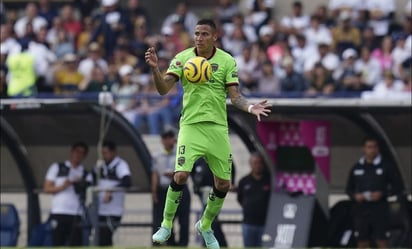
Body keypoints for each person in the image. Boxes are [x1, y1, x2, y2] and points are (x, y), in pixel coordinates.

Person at [145, 18, 271, 249]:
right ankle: (165, 224)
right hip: (191, 127)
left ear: (215, 36)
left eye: (204, 34)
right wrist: (155, 69)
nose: (199, 38)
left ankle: (205, 224)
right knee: (181, 175)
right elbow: (163, 89)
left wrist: (251, 107)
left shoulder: (226, 61)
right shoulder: (183, 58)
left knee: (223, 184)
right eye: (197, 33)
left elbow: (235, 97)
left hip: (217, 128)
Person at [345, 136, 405, 248]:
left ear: (378, 149)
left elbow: (398, 187)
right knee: (362, 240)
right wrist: (355, 196)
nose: (372, 150)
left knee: (381, 239)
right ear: (364, 149)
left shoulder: (386, 166)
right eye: (369, 147)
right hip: (361, 209)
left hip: (380, 208)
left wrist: (382, 194)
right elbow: (348, 189)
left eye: (374, 147)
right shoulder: (357, 167)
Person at [43, 141, 90, 246]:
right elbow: (47, 188)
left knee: (76, 243)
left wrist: (79, 184)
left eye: (82, 153)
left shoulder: (85, 173)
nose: (78, 155)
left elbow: (87, 191)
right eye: (77, 151)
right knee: (57, 242)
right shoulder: (57, 167)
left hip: (76, 213)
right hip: (59, 212)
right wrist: (63, 186)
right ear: (71, 152)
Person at [151, 129, 191, 246]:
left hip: (180, 189)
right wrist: (154, 192)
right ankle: (170, 243)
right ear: (162, 140)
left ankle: (183, 244)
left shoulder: (181, 154)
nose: (168, 141)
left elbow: (186, 171)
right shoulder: (156, 156)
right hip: (163, 190)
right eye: (165, 138)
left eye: (170, 137)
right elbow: (155, 174)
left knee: (183, 220)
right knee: (166, 218)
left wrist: (174, 175)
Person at [89, 140, 132, 246]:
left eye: (105, 153)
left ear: (113, 152)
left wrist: (111, 190)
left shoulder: (120, 165)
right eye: (102, 153)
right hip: (100, 209)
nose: (103, 156)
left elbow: (127, 181)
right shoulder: (100, 165)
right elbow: (91, 179)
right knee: (101, 238)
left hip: (113, 211)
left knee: (105, 236)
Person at [191, 157, 231, 248]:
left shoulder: (216, 156)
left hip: (215, 189)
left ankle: (212, 241)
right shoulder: (199, 160)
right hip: (204, 190)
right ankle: (214, 242)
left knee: (211, 216)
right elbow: (192, 172)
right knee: (210, 216)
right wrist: (196, 185)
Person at [237, 152, 271, 247]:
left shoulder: (269, 180)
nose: (258, 165)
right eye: (255, 163)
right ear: (251, 164)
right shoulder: (244, 181)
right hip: (249, 223)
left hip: (265, 224)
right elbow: (240, 199)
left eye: (259, 163)